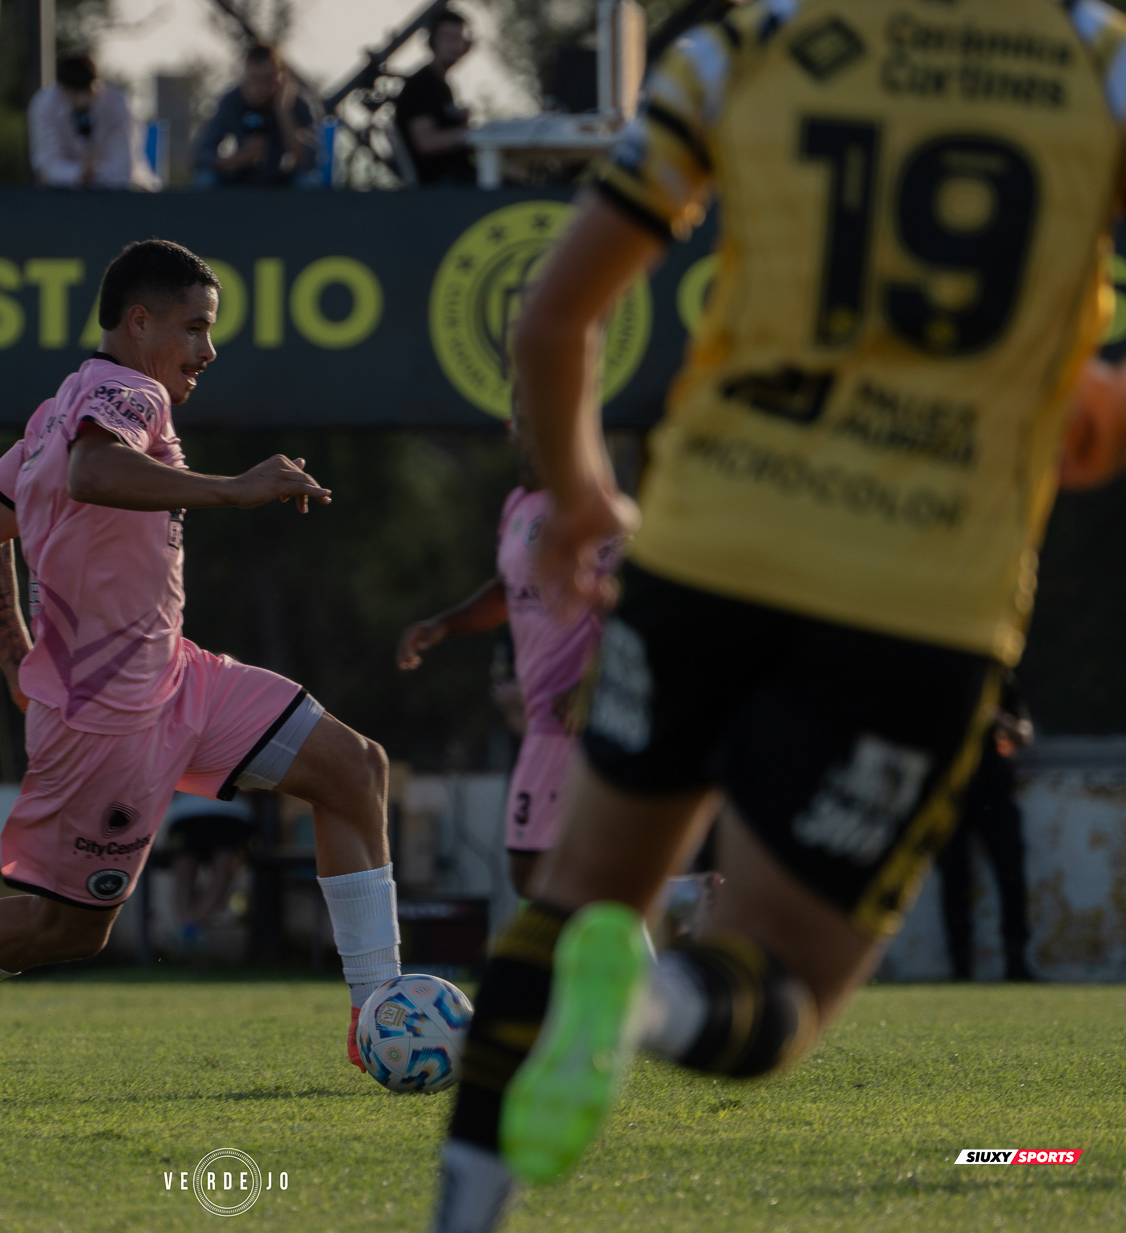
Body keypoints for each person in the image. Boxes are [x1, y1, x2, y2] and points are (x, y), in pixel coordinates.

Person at [428, 0, 1126, 1225]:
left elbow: (551, 319)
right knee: (783, 991)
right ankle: (644, 1007)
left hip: (709, 546)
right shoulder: (1100, 64)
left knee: (574, 899)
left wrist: (587, 499)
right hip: (921, 594)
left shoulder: (749, 45)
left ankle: (464, 1209)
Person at [0, 239, 397, 1094]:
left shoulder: (58, 407)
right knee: (69, 932)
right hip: (108, 719)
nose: (207, 350)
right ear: (139, 321)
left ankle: (379, 1011)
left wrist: (16, 655)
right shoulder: (122, 394)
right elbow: (94, 472)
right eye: (195, 328)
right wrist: (235, 487)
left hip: (182, 677)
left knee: (354, 769)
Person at [397, 426, 619, 899]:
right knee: (553, 869)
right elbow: (508, 589)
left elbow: (626, 601)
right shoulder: (519, 504)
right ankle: (668, 910)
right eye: (522, 408)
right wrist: (445, 624)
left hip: (573, 721)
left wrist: (590, 684)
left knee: (532, 867)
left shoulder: (588, 502)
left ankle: (663, 912)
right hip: (543, 716)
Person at [937, 674, 1034, 982]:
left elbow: (1023, 734)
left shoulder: (999, 681)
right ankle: (960, 966)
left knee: (1011, 874)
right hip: (952, 795)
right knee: (954, 879)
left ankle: (1016, 960)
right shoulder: (945, 678)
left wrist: (996, 718)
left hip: (995, 791)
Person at [192, 42, 321, 188]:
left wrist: (284, 111)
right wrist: (241, 157)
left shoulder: (295, 103)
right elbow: (199, 156)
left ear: (280, 77)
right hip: (239, 178)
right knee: (205, 179)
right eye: (254, 79)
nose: (260, 87)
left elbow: (309, 161)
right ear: (244, 75)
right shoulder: (231, 101)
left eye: (268, 79)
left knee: (308, 181)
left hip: (282, 181)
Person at [28, 53, 159, 191]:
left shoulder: (118, 105)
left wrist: (88, 174)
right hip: (64, 196)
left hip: (124, 193)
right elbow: (47, 165)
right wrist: (80, 173)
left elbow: (122, 170)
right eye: (75, 92)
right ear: (62, 89)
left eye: (88, 91)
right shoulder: (44, 104)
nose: (83, 99)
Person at [160, 791, 257, 951]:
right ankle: (191, 934)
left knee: (224, 869)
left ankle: (189, 932)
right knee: (185, 870)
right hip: (186, 813)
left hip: (233, 812)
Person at [394, 7, 476, 186]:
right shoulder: (422, 85)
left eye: (458, 38)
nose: (454, 45)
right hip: (441, 185)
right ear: (432, 41)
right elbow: (426, 143)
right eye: (447, 37)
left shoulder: (441, 84)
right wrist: (470, 133)